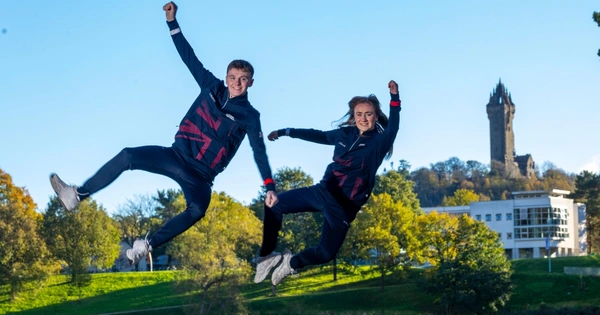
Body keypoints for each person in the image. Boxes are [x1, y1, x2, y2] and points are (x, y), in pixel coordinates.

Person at [50, 1, 278, 267]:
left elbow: (258, 151)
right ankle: (77, 195)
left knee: (197, 210)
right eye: (232, 77)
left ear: (251, 82)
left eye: (242, 79)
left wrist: (269, 186)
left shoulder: (250, 116)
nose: (236, 83)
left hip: (201, 177)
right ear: (226, 77)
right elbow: (188, 56)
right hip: (175, 156)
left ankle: (145, 245)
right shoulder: (210, 86)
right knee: (127, 155)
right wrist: (172, 22)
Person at [254, 80, 401, 286]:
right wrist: (286, 131)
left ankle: (291, 263)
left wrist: (394, 98)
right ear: (353, 116)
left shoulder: (379, 141)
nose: (363, 118)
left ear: (375, 116)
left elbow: (393, 127)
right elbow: (319, 135)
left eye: (368, 114)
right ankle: (267, 258)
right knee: (273, 204)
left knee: (325, 253)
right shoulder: (344, 134)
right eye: (359, 114)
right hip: (324, 191)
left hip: (343, 206)